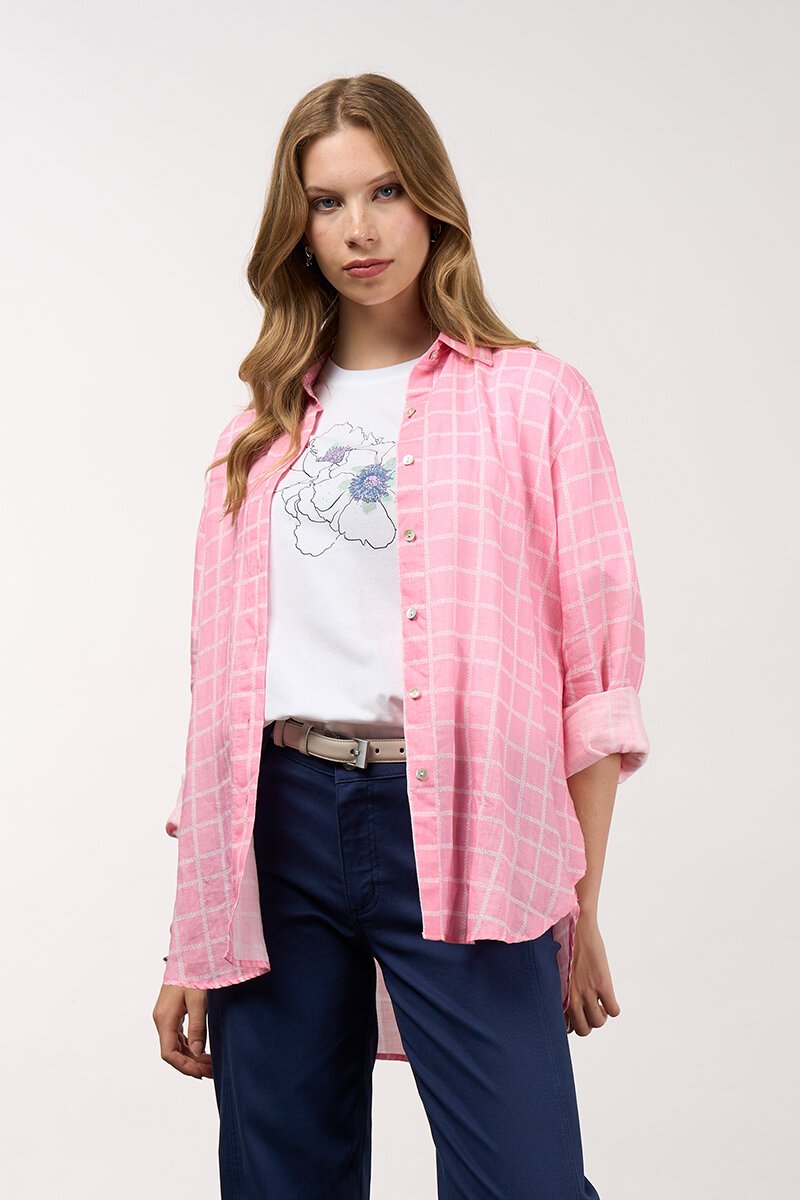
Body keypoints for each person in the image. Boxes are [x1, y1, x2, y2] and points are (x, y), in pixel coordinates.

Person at [152, 72, 650, 1200]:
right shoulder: (256, 435)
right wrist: (195, 930)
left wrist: (578, 906)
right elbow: (217, 699)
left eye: (384, 192)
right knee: (281, 1178)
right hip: (278, 826)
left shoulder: (535, 400)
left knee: (524, 1180)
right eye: (327, 203)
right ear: (297, 228)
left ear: (432, 201)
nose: (359, 230)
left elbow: (595, 676)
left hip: (466, 822)